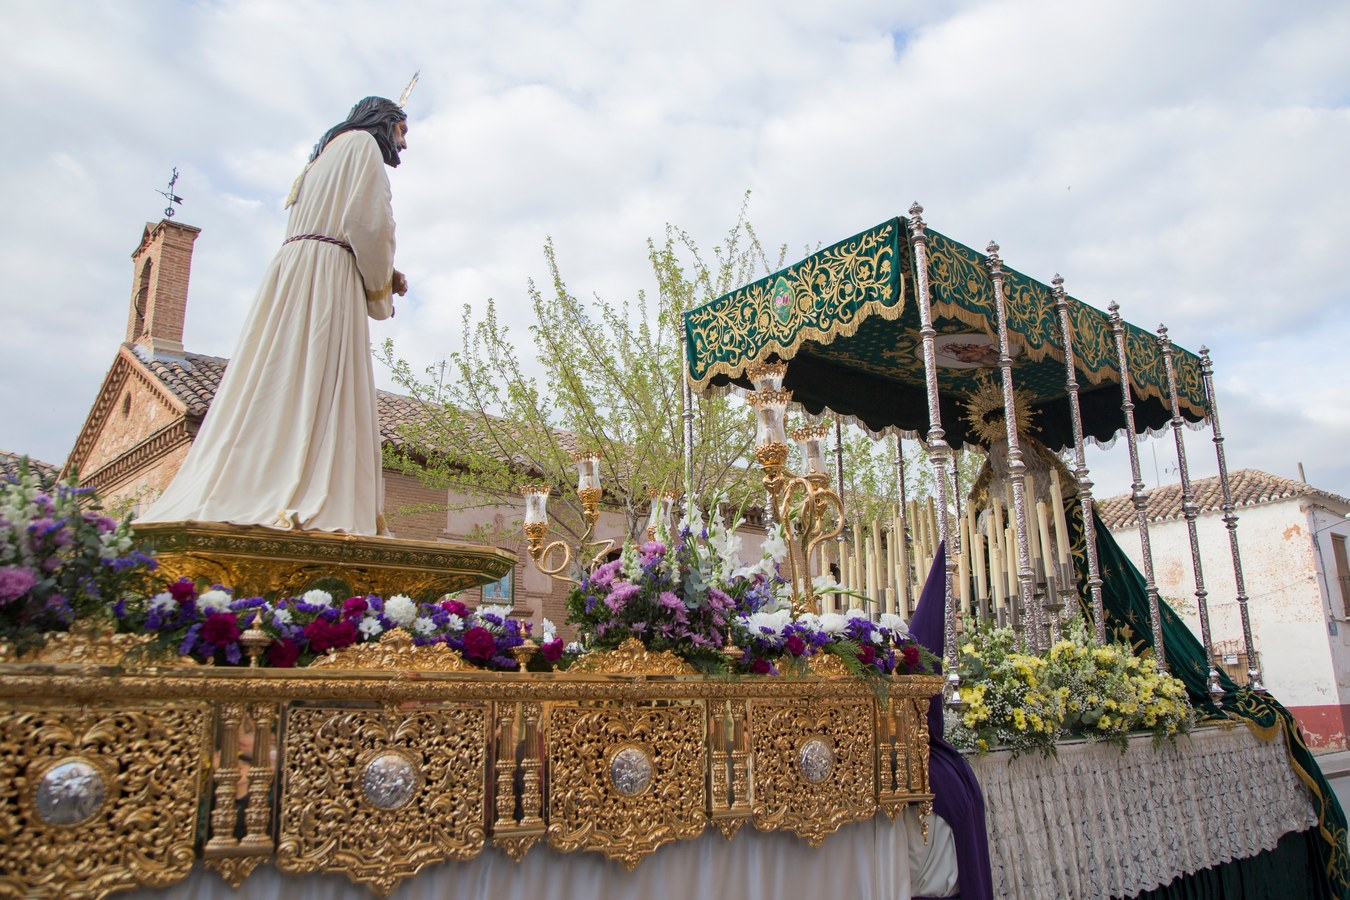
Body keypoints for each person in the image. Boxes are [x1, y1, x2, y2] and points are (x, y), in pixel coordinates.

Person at [142, 97, 409, 535]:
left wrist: (384, 270)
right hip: (328, 277)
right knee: (319, 376)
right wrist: (382, 290)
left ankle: (264, 479)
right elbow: (371, 225)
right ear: (386, 122)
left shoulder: (320, 158)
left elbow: (339, 222)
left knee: (281, 373)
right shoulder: (363, 146)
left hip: (294, 271)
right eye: (403, 131)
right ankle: (303, 491)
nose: (404, 143)